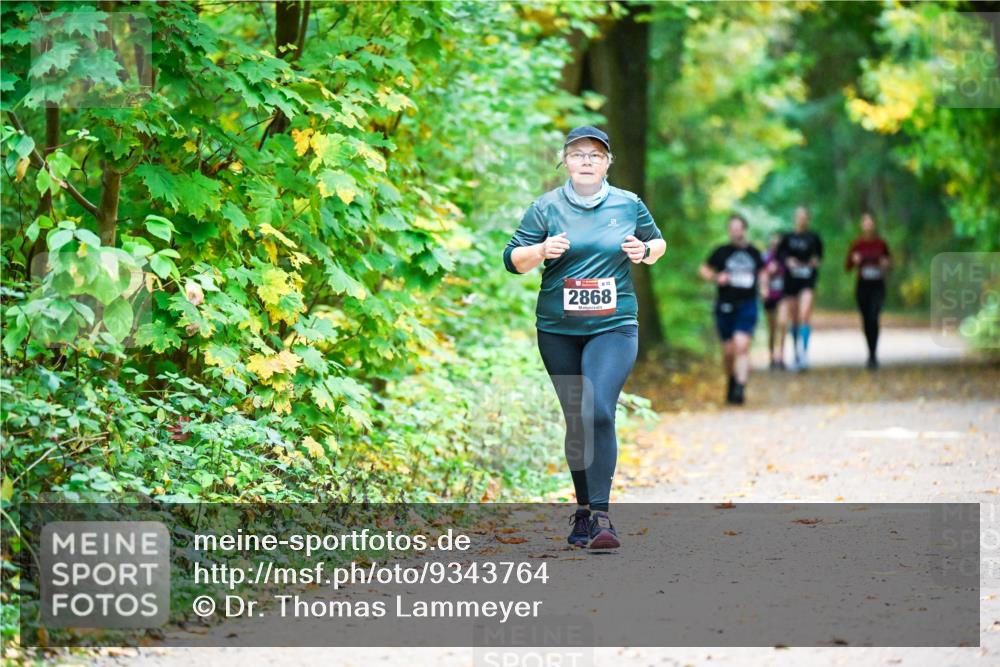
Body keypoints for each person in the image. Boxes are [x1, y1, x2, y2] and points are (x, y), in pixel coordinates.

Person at [503, 125, 666, 550]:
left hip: (614, 326)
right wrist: (540, 251)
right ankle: (581, 513)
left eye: (596, 154)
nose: (587, 161)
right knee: (577, 417)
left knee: (597, 407)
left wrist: (644, 253)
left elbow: (658, 241)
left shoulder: (628, 204)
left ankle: (601, 515)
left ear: (608, 162)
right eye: (578, 154)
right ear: (566, 161)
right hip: (558, 329)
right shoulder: (545, 208)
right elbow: (512, 259)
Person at [699, 215, 767, 405]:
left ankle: (740, 388)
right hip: (725, 305)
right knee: (728, 351)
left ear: (744, 229)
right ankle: (731, 379)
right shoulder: (721, 252)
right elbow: (703, 270)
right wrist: (716, 277)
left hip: (748, 304)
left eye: (739, 228)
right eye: (732, 228)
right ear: (729, 231)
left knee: (742, 346)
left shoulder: (754, 253)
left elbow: (762, 273)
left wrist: (764, 287)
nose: (735, 231)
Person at [777, 205, 823, 370]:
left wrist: (814, 262)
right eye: (799, 216)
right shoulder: (787, 238)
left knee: (805, 314)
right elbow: (779, 256)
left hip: (807, 281)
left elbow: (818, 258)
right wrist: (788, 262)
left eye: (804, 216)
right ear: (795, 218)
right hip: (791, 282)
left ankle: (804, 353)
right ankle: (796, 352)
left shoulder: (814, 238)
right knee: (794, 318)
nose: (801, 219)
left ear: (808, 219)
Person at [845, 212, 891, 369]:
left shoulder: (881, 244)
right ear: (861, 225)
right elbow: (848, 266)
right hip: (863, 286)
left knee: (874, 316)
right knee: (866, 319)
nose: (868, 225)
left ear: (874, 224)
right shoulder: (857, 245)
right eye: (865, 222)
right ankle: (869, 350)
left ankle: (873, 353)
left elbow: (889, 262)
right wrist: (854, 260)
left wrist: (885, 264)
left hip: (878, 286)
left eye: (870, 222)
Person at [762, 232, 787, 370]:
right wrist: (767, 274)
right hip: (769, 296)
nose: (775, 243)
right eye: (773, 241)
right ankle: (772, 357)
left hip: (783, 295)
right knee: (771, 329)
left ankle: (782, 357)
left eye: (778, 241)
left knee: (782, 324)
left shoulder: (785, 258)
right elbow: (760, 274)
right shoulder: (765, 257)